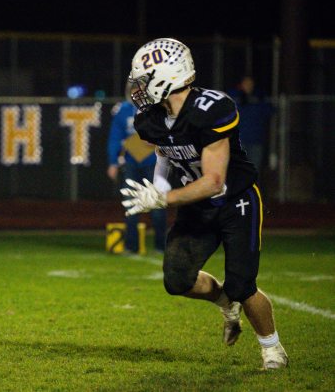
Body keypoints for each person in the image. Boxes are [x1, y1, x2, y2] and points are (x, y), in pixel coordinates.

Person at [121, 38, 288, 370]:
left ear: (167, 76)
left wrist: (163, 198)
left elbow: (214, 181)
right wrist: (157, 187)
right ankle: (225, 302)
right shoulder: (150, 119)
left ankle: (272, 348)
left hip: (235, 200)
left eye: (143, 78)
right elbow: (164, 153)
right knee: (177, 280)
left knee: (242, 284)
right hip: (196, 206)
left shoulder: (211, 108)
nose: (137, 86)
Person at [107, 101, 166, 253]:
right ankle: (130, 246)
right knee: (131, 205)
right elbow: (115, 137)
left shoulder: (159, 108)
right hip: (131, 163)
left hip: (155, 163)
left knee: (158, 206)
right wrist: (113, 161)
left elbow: (170, 131)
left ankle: (161, 246)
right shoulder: (124, 110)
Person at [227, 76, 272, 176]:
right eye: (246, 83)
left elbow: (269, 111)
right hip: (239, 141)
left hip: (256, 140)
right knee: (238, 169)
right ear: (241, 85)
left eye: (250, 84)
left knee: (254, 170)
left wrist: (260, 100)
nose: (248, 86)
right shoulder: (235, 96)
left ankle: (251, 190)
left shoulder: (259, 97)